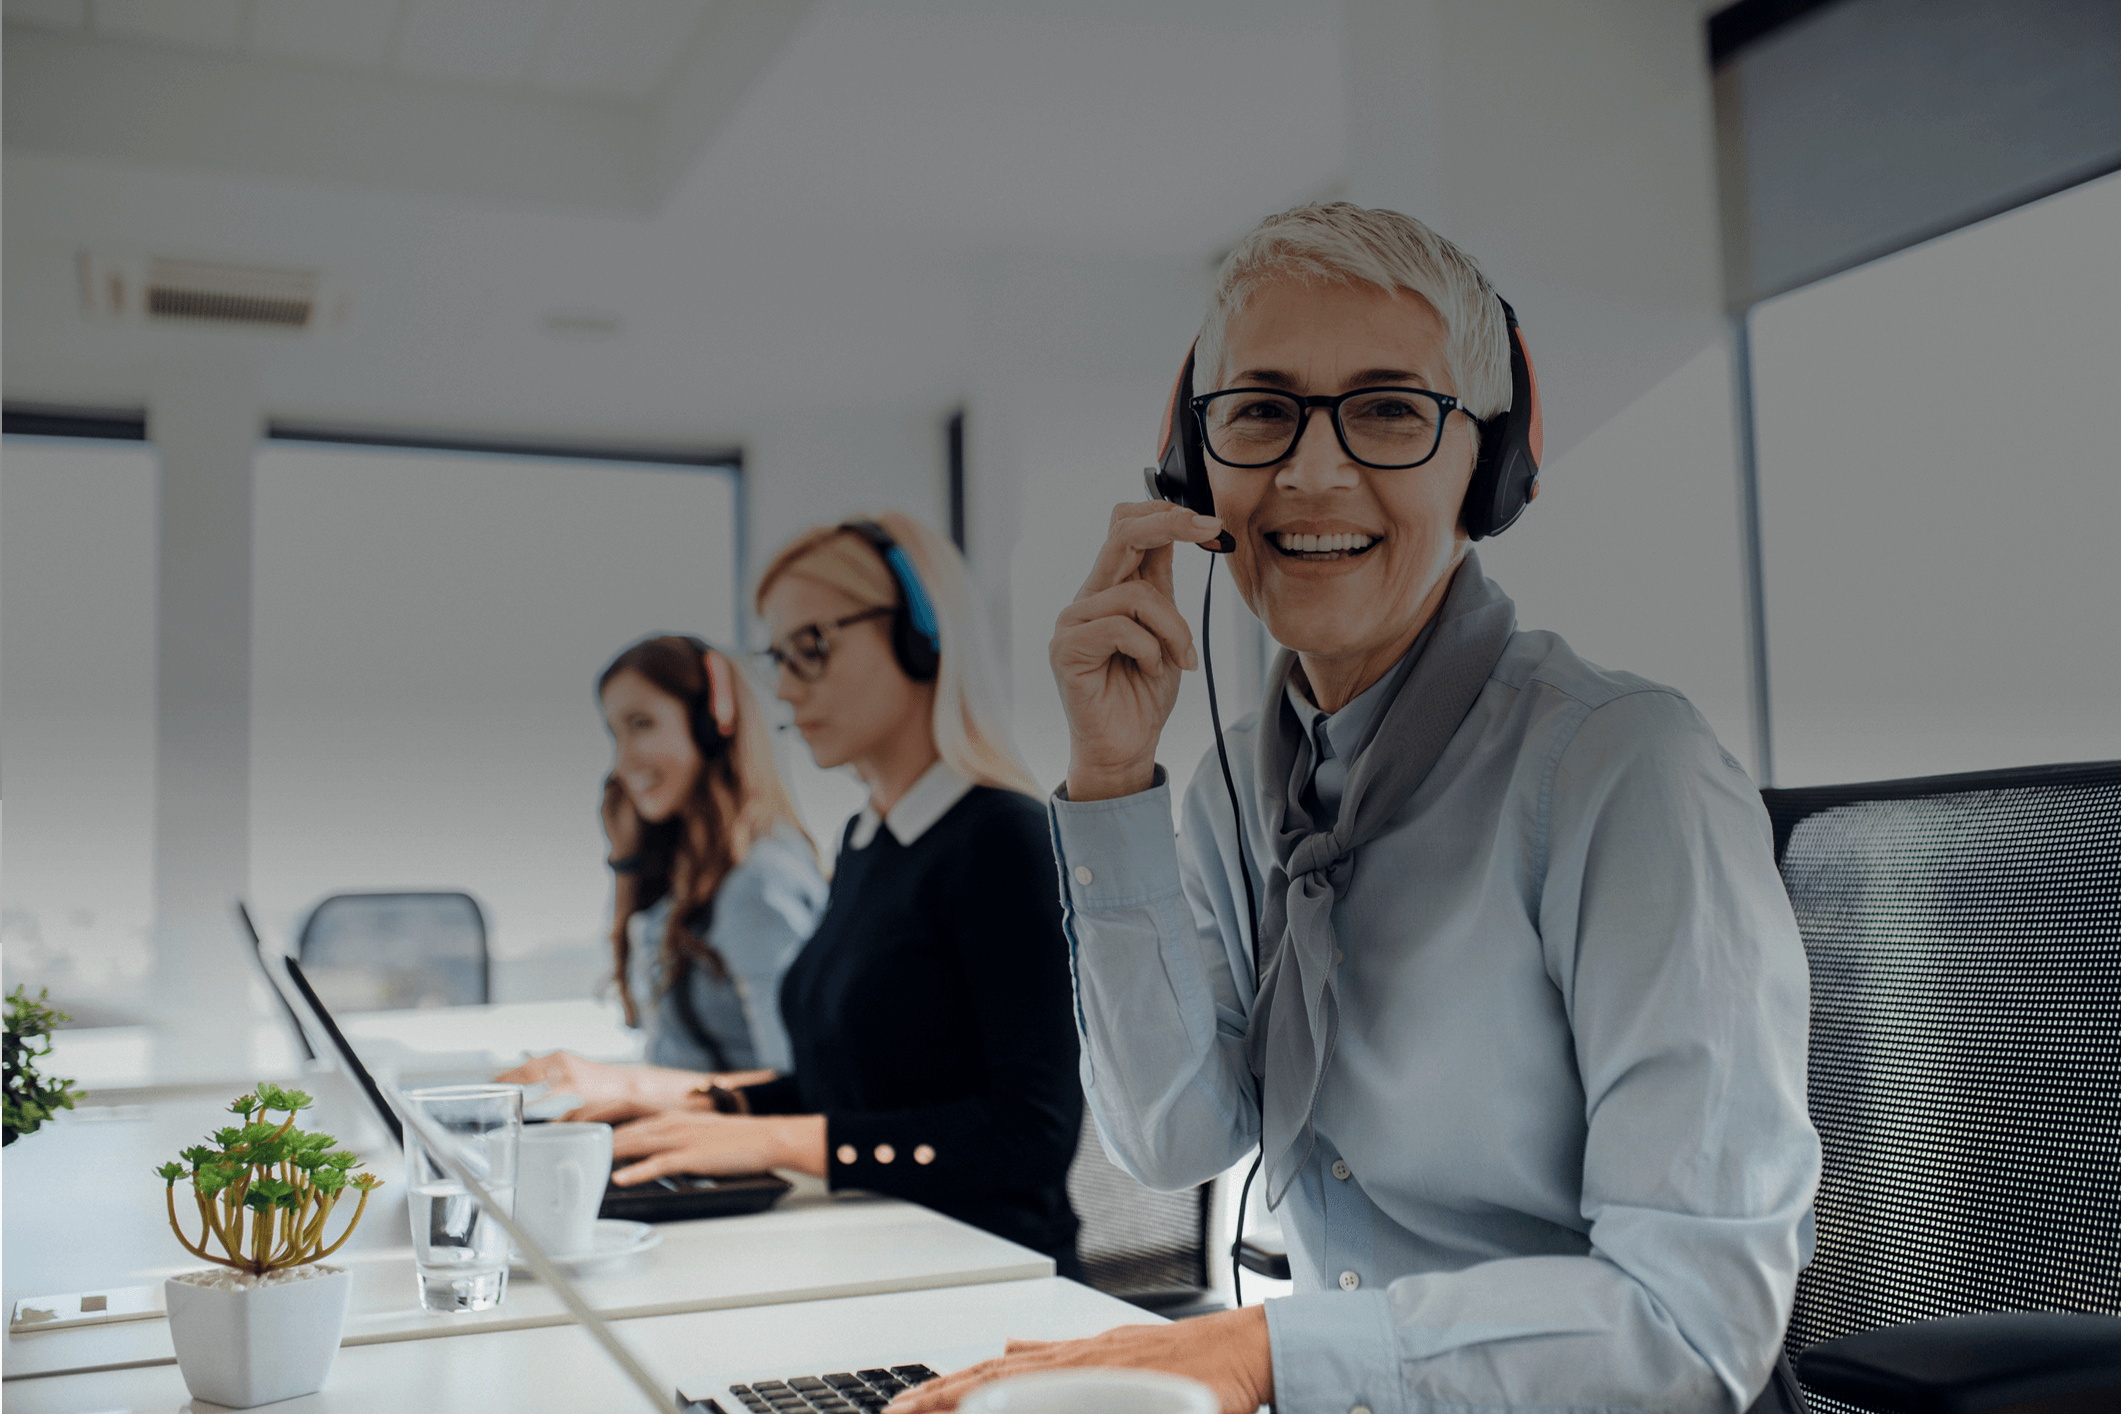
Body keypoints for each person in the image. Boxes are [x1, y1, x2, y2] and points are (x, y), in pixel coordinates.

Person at [893, 203, 1819, 1413]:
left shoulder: (1620, 769)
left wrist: (1265, 1353)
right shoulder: (1242, 777)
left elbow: (1694, 1322)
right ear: (1193, 463)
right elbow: (1172, 1140)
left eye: (1390, 409)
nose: (1311, 471)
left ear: (1487, 465)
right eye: (1262, 410)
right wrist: (1114, 779)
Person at [574, 515, 1086, 1277]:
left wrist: (773, 1141)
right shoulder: (864, 843)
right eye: (778, 657)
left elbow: (1028, 1135)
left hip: (989, 1276)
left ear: (920, 633)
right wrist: (702, 1113)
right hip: (876, 1250)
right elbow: (838, 1085)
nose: (781, 688)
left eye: (811, 647)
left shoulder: (1001, 839)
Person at [500, 636, 825, 1111]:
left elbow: (801, 1085)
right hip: (698, 1144)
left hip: (755, 1164)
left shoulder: (757, 882)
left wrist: (625, 1088)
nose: (624, 762)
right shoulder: (693, 883)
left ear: (712, 726)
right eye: (617, 735)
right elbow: (662, 1041)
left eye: (642, 725)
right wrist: (627, 864)